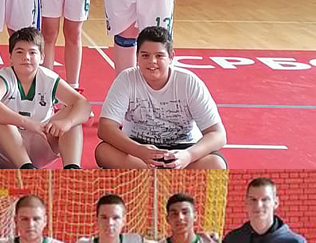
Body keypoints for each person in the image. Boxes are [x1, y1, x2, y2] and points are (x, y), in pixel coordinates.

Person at [95, 27, 226, 169]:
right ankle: (162, 175)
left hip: (183, 148)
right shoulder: (126, 79)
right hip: (138, 148)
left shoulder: (188, 81)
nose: (152, 61)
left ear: (171, 57)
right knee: (104, 152)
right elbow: (105, 128)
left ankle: (153, 174)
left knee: (216, 164)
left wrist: (188, 155)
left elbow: (218, 134)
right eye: (145, 55)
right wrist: (138, 150)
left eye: (159, 56)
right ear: (137, 57)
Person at [0, 27, 88, 169]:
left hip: (38, 144)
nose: (26, 57)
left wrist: (67, 123)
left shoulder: (48, 78)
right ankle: (26, 168)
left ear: (42, 57)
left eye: (32, 52)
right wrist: (27, 123)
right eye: (20, 52)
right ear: (10, 57)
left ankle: (72, 169)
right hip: (3, 152)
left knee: (72, 114)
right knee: (0, 117)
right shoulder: (3, 77)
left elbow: (83, 104)